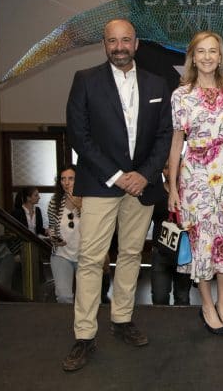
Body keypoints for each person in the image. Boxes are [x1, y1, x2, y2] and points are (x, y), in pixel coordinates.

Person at [62, 18, 172, 371]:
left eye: (126, 40)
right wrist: (116, 175)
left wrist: (144, 174)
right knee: (92, 258)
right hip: (100, 183)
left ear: (136, 44)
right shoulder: (85, 80)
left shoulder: (158, 83)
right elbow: (79, 135)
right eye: (113, 41)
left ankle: (122, 320)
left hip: (142, 185)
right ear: (104, 45)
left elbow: (165, 136)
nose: (120, 46)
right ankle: (84, 334)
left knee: (130, 255)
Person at [167, 31, 223, 335]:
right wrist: (174, 187)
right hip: (195, 177)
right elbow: (177, 143)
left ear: (220, 57)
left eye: (212, 51)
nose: (206, 57)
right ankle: (206, 304)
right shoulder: (180, 95)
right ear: (192, 57)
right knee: (202, 240)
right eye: (200, 51)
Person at [149, 162, 192, 306]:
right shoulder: (155, 191)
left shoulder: (190, 191)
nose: (170, 171)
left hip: (184, 253)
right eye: (166, 167)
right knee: (159, 298)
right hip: (160, 252)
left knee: (183, 298)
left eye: (175, 165)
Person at [0, 187, 47, 289]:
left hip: (34, 248)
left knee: (37, 275)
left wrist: (46, 231)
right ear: (28, 198)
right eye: (36, 195)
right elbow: (10, 234)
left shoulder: (38, 211)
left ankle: (37, 297)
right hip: (21, 248)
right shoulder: (17, 213)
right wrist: (16, 253)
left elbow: (39, 229)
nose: (39, 197)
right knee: (20, 277)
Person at [47, 165, 81, 304]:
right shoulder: (54, 202)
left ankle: (84, 324)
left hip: (84, 255)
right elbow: (52, 227)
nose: (66, 183)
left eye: (71, 178)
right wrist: (53, 237)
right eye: (63, 179)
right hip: (61, 254)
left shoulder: (88, 201)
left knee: (87, 297)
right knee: (63, 297)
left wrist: (79, 204)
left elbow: (95, 226)